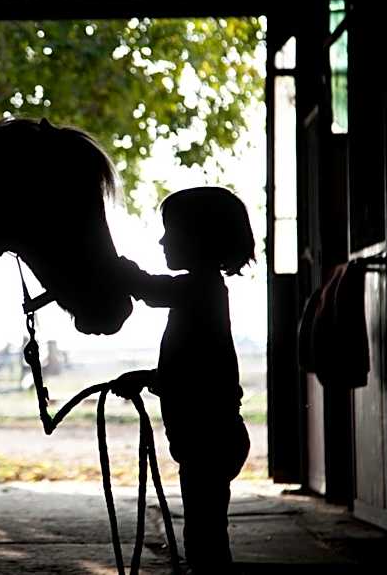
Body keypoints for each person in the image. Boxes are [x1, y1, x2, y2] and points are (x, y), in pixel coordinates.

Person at [112, 186, 253, 572]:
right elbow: (191, 370)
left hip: (209, 438)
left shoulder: (200, 288)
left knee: (204, 541)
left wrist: (118, 269)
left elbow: (152, 290)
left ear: (199, 238)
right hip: (213, 435)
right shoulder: (203, 291)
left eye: (170, 230)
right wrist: (148, 378)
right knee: (206, 535)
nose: (161, 239)